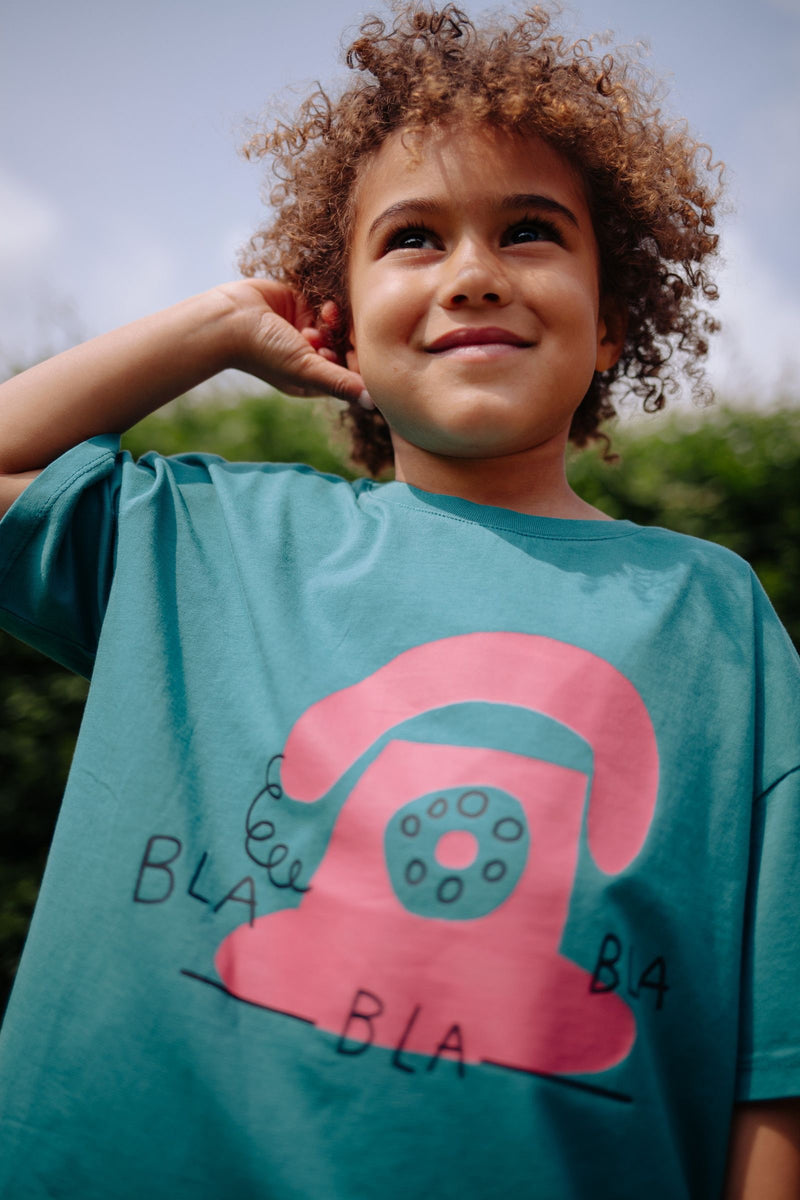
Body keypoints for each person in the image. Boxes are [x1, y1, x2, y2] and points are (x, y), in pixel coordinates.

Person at [0, 4, 797, 1196]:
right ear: (337, 323)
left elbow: (770, 1062)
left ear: (610, 323)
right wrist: (215, 328)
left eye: (529, 231)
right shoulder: (201, 537)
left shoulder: (711, 617)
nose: (472, 275)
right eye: (412, 238)